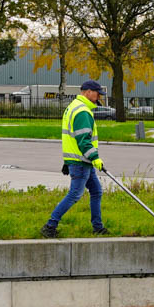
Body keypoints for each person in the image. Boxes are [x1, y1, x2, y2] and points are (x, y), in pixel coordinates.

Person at [41, 80, 109, 238]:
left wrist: (67, 161)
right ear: (88, 92)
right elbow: (83, 140)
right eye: (97, 93)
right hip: (81, 162)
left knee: (96, 191)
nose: (99, 97)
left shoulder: (73, 107)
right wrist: (95, 158)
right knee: (75, 194)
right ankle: (50, 226)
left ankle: (98, 227)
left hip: (81, 161)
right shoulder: (82, 111)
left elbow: (69, 138)